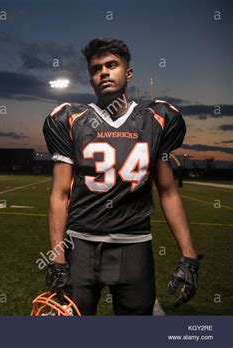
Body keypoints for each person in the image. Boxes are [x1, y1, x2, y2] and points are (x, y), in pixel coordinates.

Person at [42, 37, 203, 315]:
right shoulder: (71, 120)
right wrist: (57, 260)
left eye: (111, 65)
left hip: (135, 247)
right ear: (91, 80)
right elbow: (60, 194)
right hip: (80, 245)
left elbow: (167, 191)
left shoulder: (155, 120)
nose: (103, 72)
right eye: (96, 69)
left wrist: (189, 256)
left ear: (128, 73)